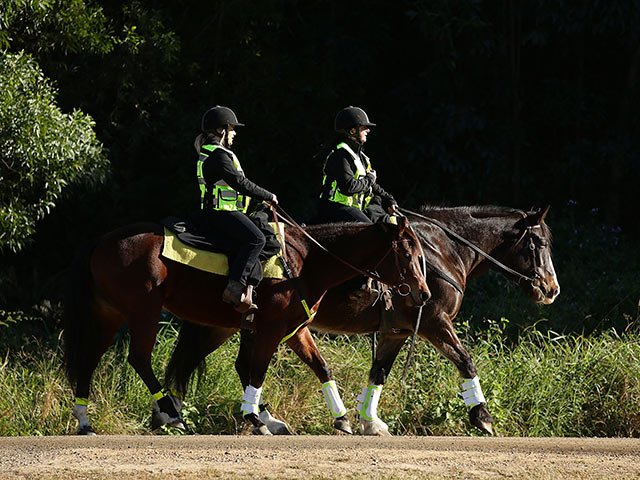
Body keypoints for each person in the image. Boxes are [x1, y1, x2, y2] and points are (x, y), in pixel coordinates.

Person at [194, 105, 278, 313]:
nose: (234, 133)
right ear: (222, 130)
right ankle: (234, 287)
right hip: (219, 213)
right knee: (257, 239)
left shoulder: (215, 152)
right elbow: (241, 183)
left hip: (223, 212)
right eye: (232, 128)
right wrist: (269, 196)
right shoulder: (218, 155)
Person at [317, 106, 398, 224]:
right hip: (334, 208)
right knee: (372, 232)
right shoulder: (340, 156)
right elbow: (349, 187)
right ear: (352, 131)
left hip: (352, 209)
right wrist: (370, 179)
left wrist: (388, 200)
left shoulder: (361, 156)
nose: (368, 130)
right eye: (364, 127)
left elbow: (372, 184)